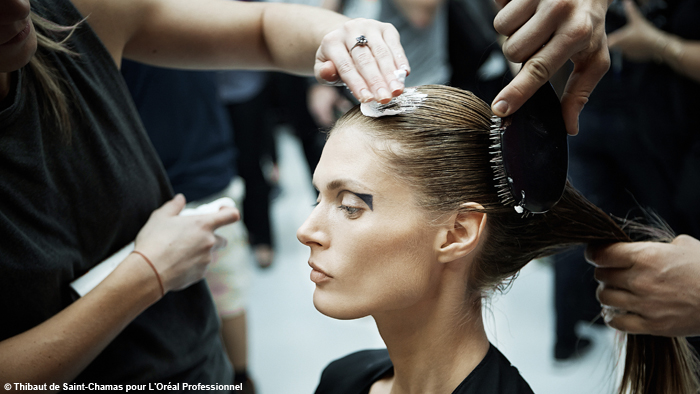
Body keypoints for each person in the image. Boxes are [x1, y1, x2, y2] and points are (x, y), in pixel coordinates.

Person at [0, 0, 409, 386]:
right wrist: (146, 275)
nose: (18, 7)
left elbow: (262, 29)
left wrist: (341, 36)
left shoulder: (66, 16)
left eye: (352, 206)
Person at [297, 85, 699, 394]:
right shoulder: (343, 379)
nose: (306, 231)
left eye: (350, 205)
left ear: (457, 233)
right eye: (319, 197)